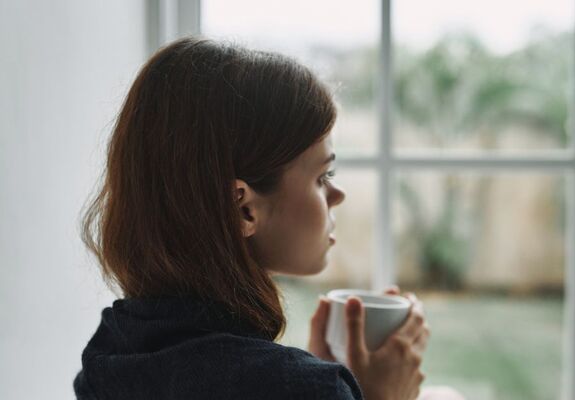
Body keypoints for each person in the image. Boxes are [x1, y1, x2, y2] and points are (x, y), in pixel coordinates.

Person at [74, 37, 435, 400]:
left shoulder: (109, 352)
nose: (337, 196)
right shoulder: (297, 388)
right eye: (322, 176)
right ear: (243, 209)